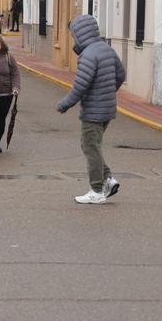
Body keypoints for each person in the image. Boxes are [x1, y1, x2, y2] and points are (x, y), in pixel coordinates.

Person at [56, 14, 124, 204]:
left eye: (73, 35)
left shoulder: (88, 54)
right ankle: (108, 179)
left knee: (90, 147)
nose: (73, 39)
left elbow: (81, 85)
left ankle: (96, 190)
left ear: (80, 33)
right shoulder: (106, 49)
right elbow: (121, 74)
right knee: (92, 145)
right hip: (107, 109)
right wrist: (108, 92)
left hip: (94, 111)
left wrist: (65, 104)